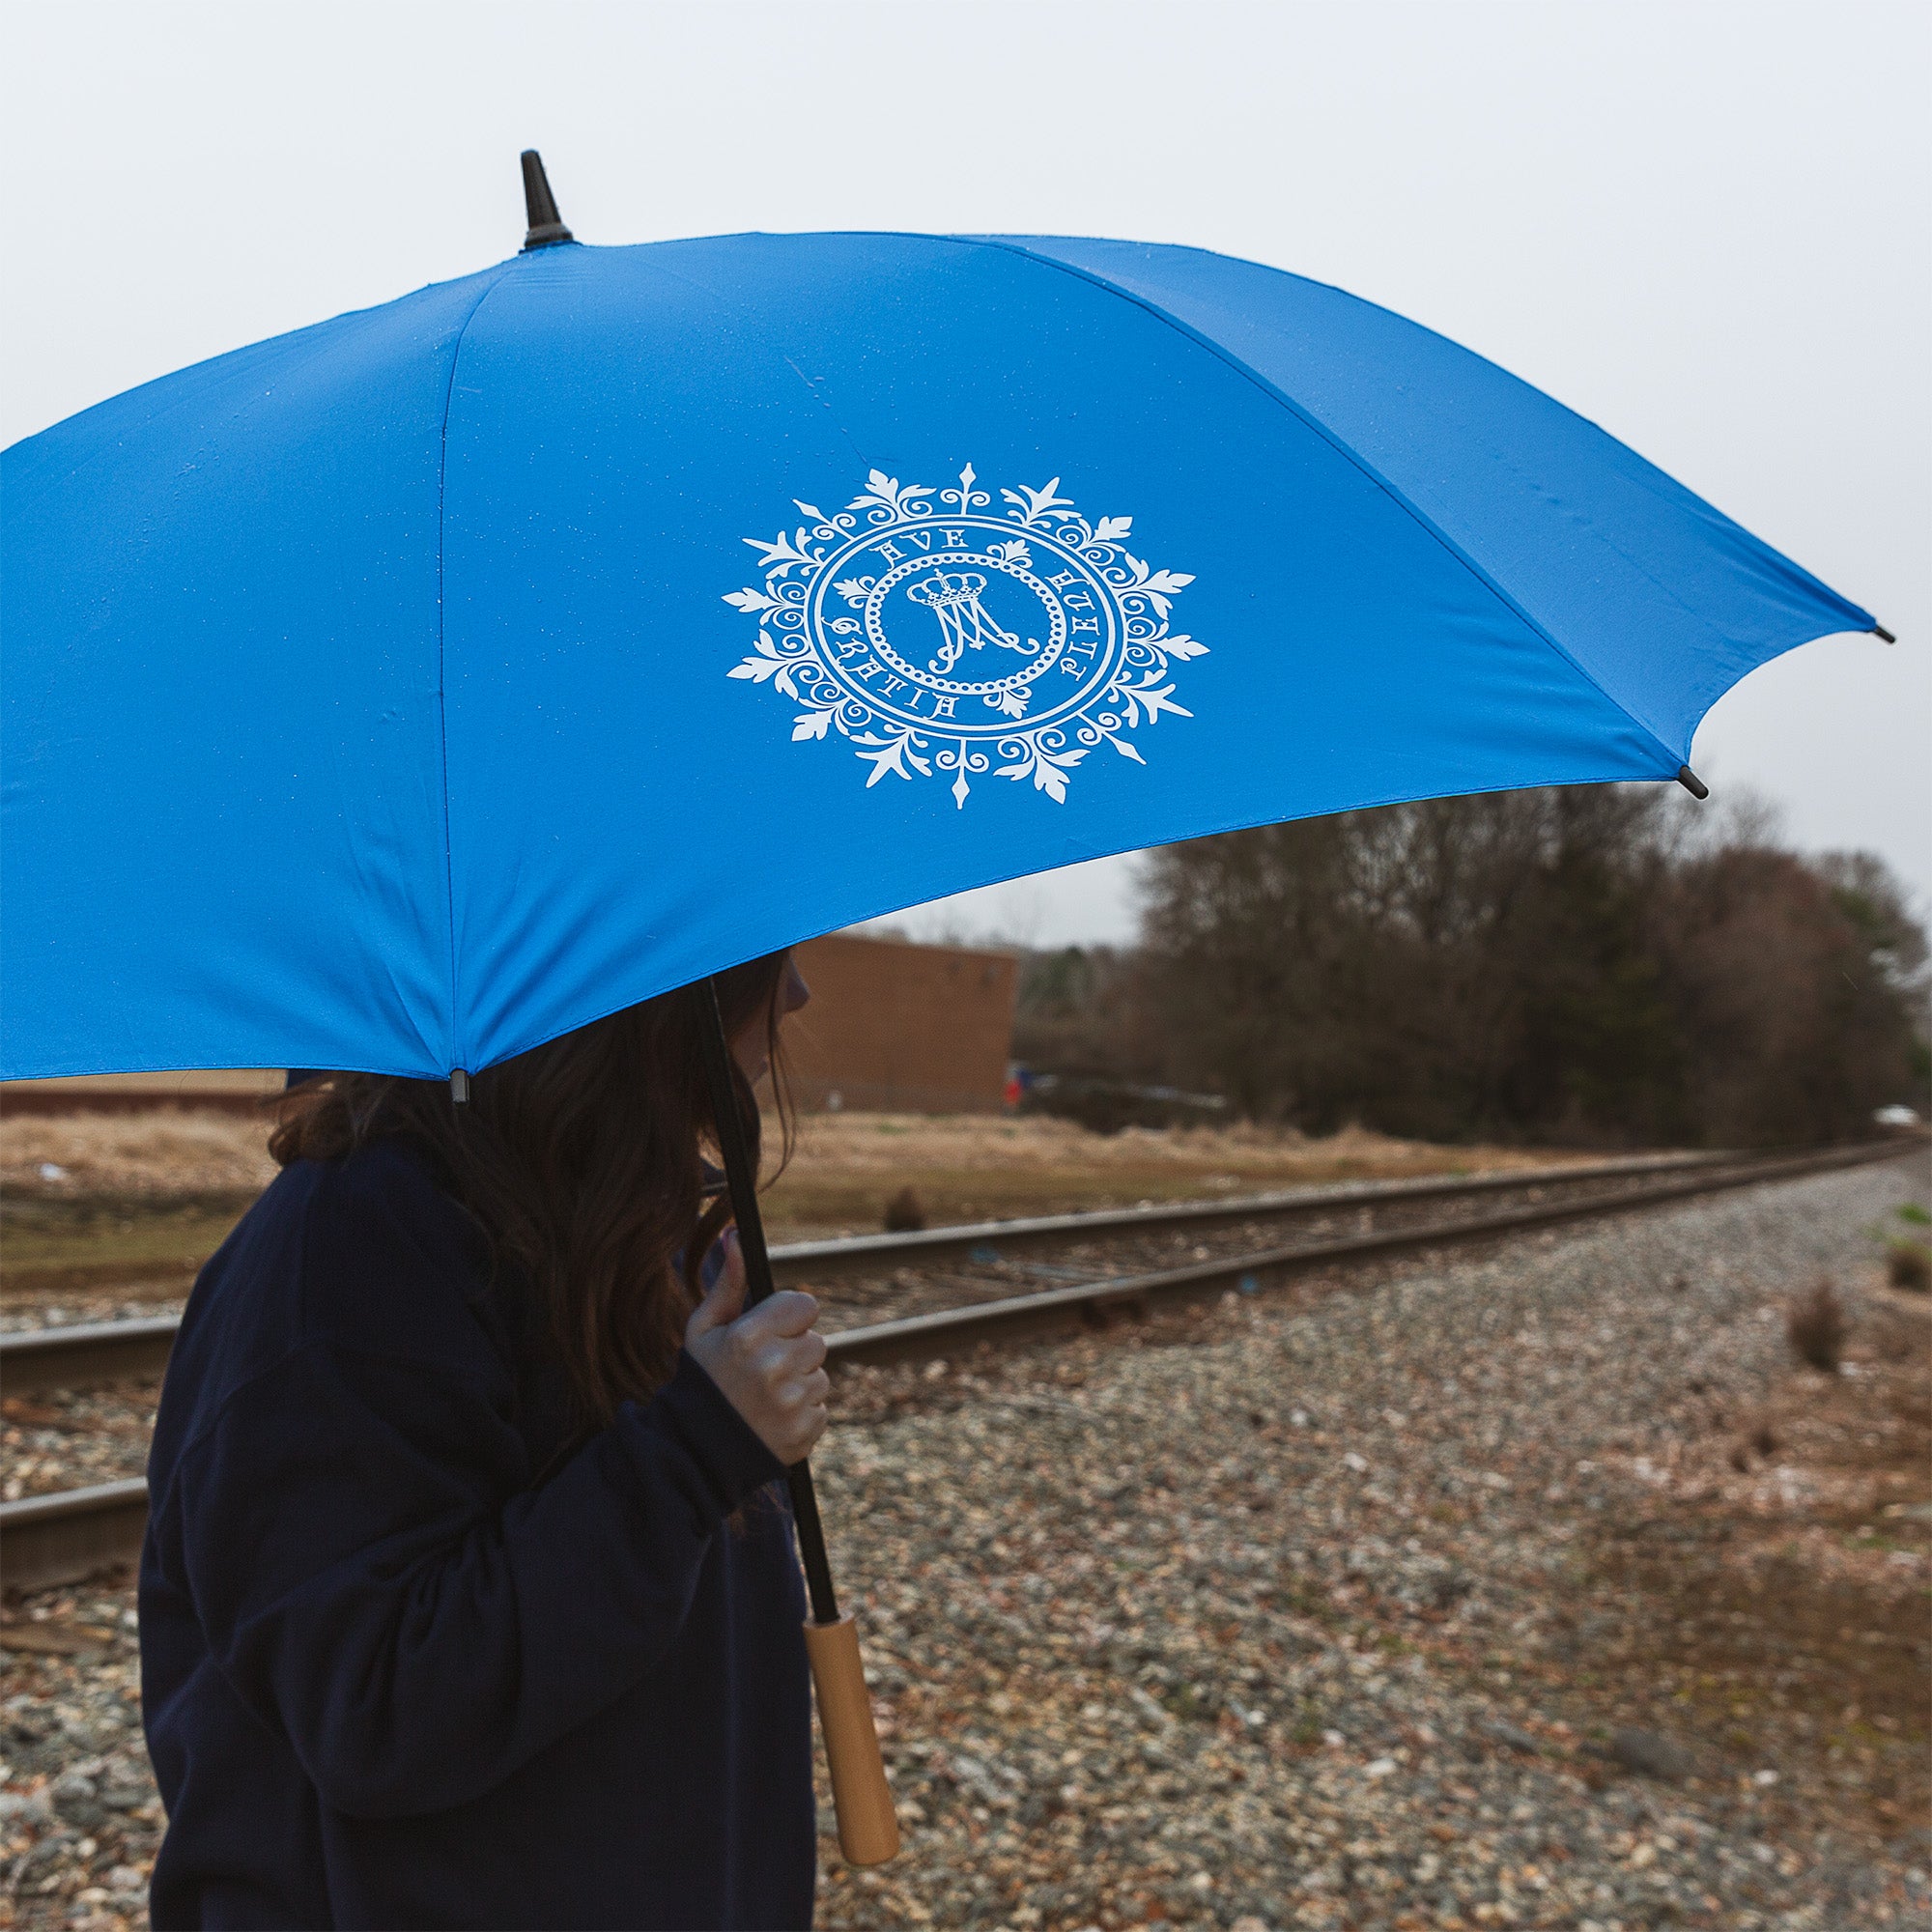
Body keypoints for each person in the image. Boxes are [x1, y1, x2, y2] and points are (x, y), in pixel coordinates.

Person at [138, 952, 826, 1930]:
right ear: (646, 979)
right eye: (769, 960)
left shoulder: (639, 1237)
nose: (798, 995)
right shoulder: (348, 1249)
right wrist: (689, 1452)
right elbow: (374, 1704)